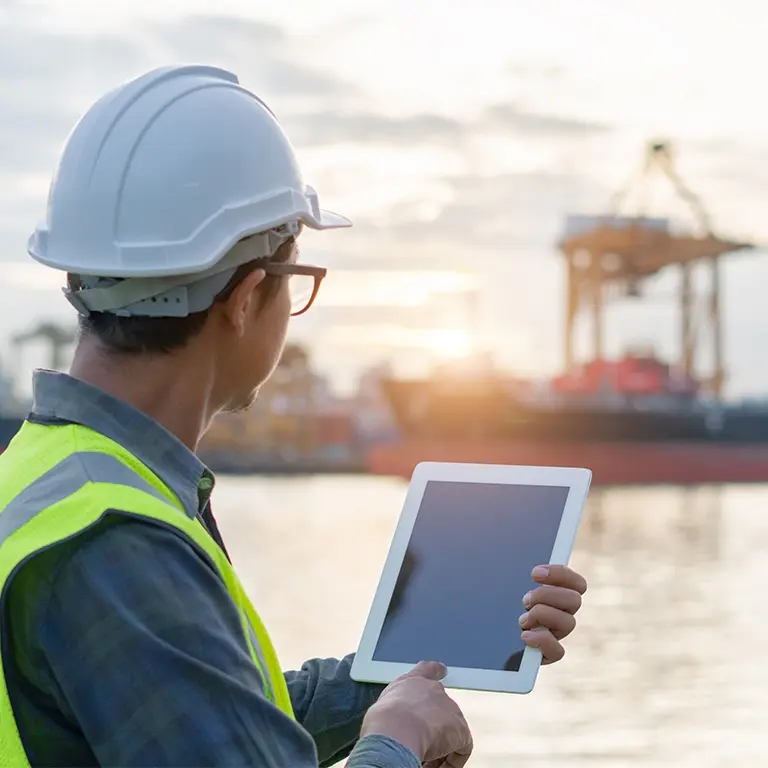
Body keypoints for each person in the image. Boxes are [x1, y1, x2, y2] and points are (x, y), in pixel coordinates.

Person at [0, 65, 589, 768]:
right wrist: (399, 742)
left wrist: (419, 664)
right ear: (248, 297)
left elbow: (218, 723)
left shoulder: (51, 479)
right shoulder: (117, 543)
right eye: (296, 280)